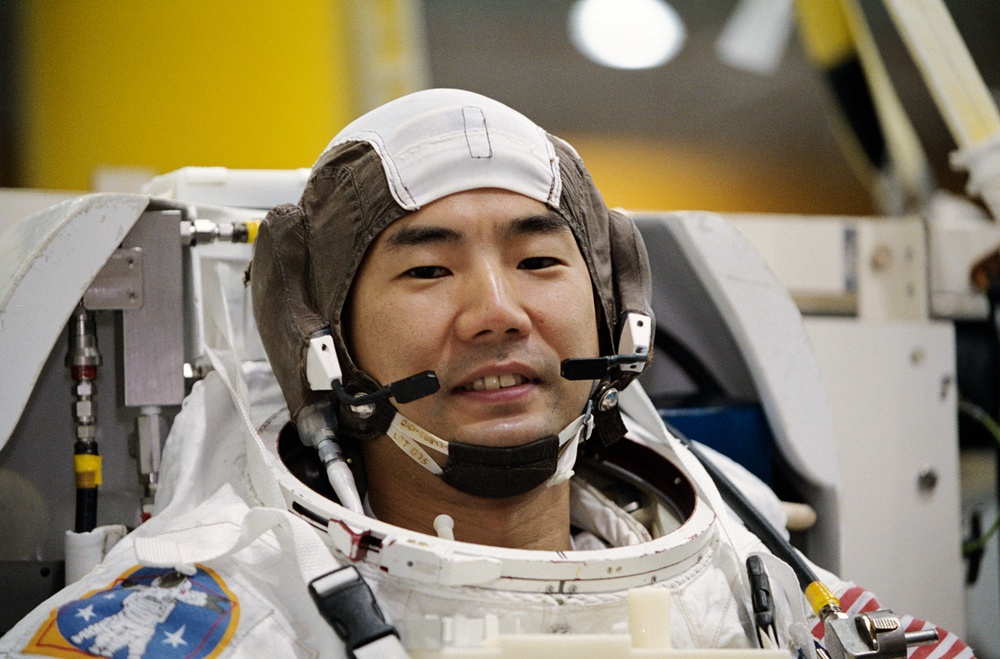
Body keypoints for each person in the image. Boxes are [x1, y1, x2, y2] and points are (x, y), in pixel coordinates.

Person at [1, 89, 972, 658]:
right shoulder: (210, 614)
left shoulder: (746, 566)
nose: (498, 310)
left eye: (541, 260)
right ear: (321, 342)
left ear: (614, 307)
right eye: (426, 267)